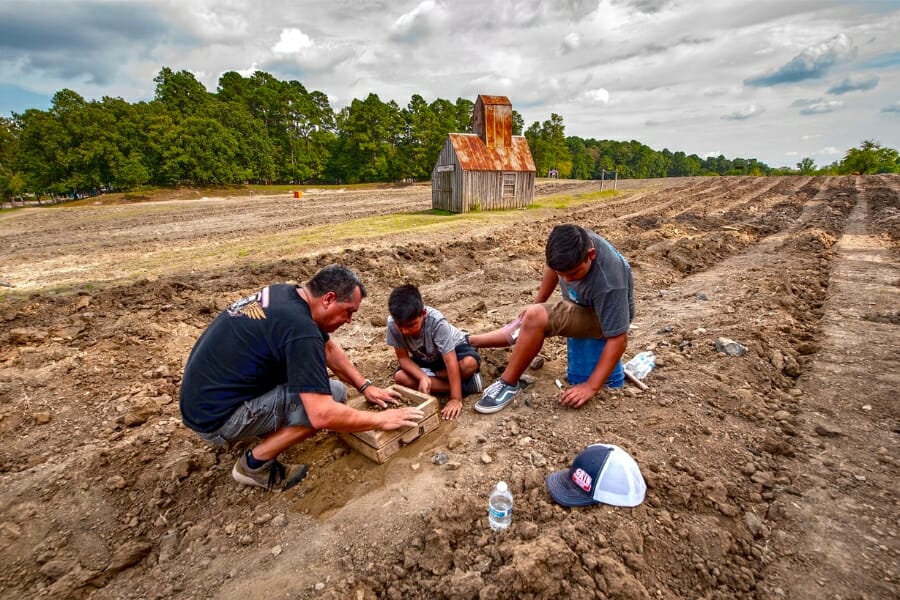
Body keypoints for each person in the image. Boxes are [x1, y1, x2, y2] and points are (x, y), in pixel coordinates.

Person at [179, 265, 424, 492]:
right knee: (334, 396)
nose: (349, 321)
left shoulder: (287, 295)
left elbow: (329, 349)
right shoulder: (301, 330)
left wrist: (365, 386)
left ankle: (260, 426)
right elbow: (322, 414)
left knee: (318, 388)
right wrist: (380, 420)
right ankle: (253, 465)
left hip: (202, 403)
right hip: (218, 419)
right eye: (348, 312)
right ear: (328, 299)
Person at [469, 224, 634, 413]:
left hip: (603, 319)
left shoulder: (610, 284)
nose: (567, 280)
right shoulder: (569, 245)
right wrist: (537, 303)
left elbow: (619, 339)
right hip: (582, 304)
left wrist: (591, 387)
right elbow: (552, 268)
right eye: (562, 274)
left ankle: (508, 383)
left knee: (534, 318)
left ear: (591, 255)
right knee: (528, 318)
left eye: (573, 273)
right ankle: (469, 340)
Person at [386, 284, 483, 420]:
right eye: (400, 326)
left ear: (423, 314)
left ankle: (453, 386)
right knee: (400, 377)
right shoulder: (392, 324)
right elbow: (403, 359)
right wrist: (422, 377)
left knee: (469, 364)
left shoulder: (437, 322)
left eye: (411, 325)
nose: (405, 331)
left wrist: (456, 398)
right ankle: (466, 386)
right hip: (426, 358)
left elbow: (450, 361)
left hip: (453, 351)